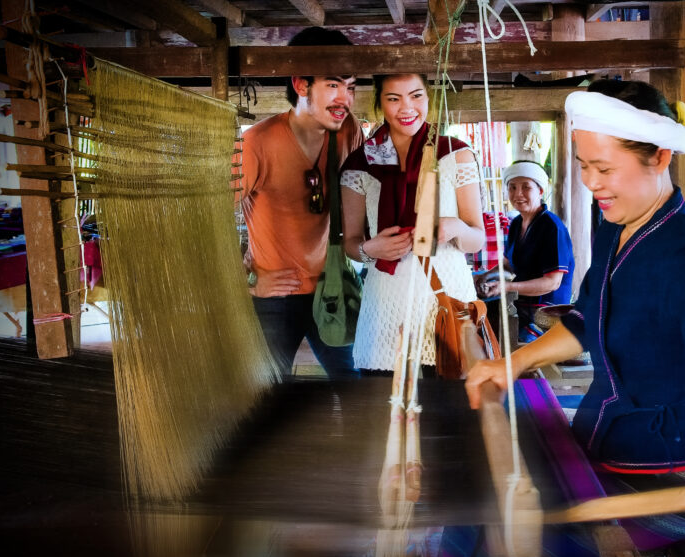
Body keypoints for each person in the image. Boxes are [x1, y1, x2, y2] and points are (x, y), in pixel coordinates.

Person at [464, 80, 685, 557]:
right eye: (583, 166)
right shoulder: (613, 226)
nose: (592, 183)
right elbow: (585, 318)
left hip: (672, 474)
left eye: (604, 168)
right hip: (609, 444)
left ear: (660, 157)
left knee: (540, 550)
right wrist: (510, 363)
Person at [340, 73, 486, 374]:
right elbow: (351, 243)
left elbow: (477, 237)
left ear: (428, 98)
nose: (407, 108)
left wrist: (456, 228)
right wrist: (371, 248)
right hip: (385, 301)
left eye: (416, 96)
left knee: (450, 409)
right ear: (379, 103)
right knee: (382, 407)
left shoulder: (455, 153)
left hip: (445, 298)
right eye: (393, 99)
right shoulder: (359, 164)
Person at [240, 27, 364, 378]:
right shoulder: (256, 144)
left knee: (354, 386)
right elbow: (205, 220)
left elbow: (364, 200)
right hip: (274, 298)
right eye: (333, 85)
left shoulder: (350, 131)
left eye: (351, 87)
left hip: (333, 288)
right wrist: (247, 283)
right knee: (266, 398)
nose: (345, 99)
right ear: (300, 84)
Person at [476, 160, 574, 343]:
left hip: (547, 314)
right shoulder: (516, 224)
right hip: (521, 306)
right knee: (476, 319)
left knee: (504, 339)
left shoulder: (552, 227)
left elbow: (552, 283)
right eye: (512, 187)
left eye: (526, 187)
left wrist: (507, 287)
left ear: (540, 191)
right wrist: (485, 277)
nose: (518, 194)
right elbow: (507, 266)